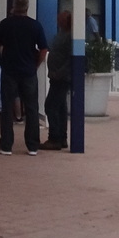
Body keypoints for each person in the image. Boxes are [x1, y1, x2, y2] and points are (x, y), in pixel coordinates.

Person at [0, 0, 48, 155]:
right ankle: (32, 146)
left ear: (13, 6)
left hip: (9, 70)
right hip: (29, 71)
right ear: (27, 7)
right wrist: (35, 64)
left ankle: (6, 145)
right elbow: (43, 48)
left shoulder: (5, 24)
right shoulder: (35, 26)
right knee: (31, 108)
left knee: (7, 107)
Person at [41, 9, 73, 150]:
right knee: (60, 108)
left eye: (61, 18)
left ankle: (54, 138)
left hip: (62, 77)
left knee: (50, 105)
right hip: (55, 76)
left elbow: (70, 58)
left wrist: (60, 72)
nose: (58, 20)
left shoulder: (70, 36)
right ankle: (62, 138)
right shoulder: (61, 34)